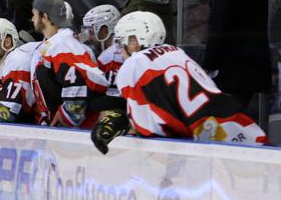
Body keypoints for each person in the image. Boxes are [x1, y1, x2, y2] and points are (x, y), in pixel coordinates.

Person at [90, 12, 267, 153]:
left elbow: (150, 130)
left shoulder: (134, 65)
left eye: (121, 43)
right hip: (240, 128)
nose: (120, 50)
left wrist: (123, 122)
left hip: (212, 145)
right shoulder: (176, 52)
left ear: (134, 41)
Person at [204, 0, 271, 109]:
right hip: (254, 63)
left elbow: (218, 22)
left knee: (222, 116)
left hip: (230, 66)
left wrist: (209, 62)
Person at [29, 0, 109, 128]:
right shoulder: (56, 43)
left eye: (34, 14)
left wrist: (67, 116)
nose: (32, 19)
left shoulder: (63, 44)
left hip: (73, 133)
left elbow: (83, 82)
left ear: (45, 17)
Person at [81, 4, 123, 95]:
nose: (89, 37)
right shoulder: (124, 45)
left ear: (105, 31)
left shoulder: (107, 59)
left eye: (91, 32)